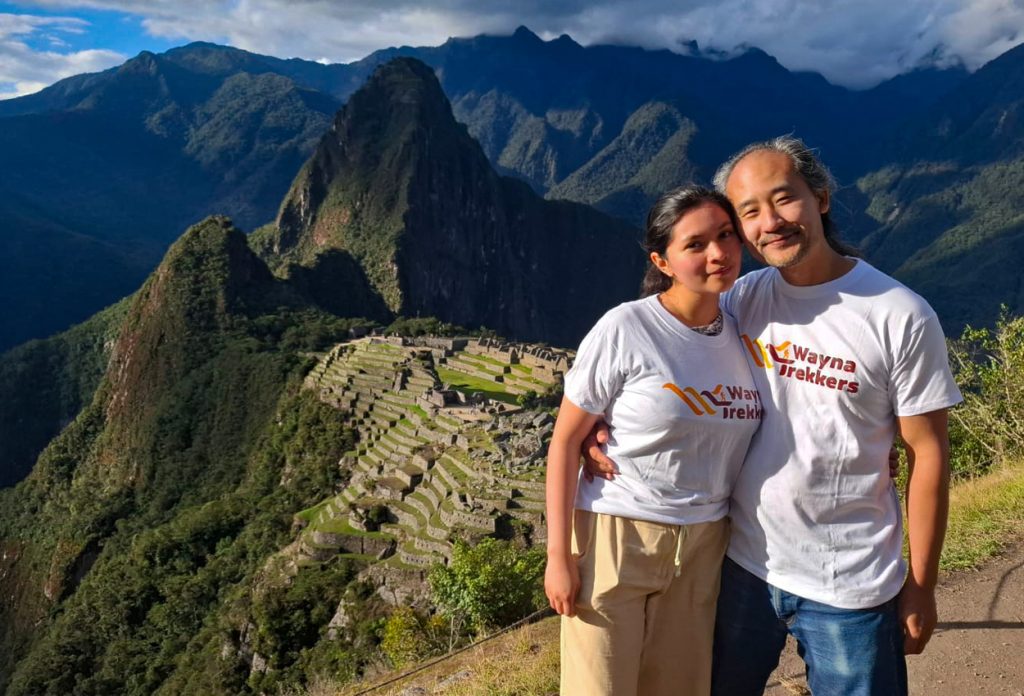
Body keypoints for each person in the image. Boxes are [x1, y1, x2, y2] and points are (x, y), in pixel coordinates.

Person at [584, 136, 962, 696]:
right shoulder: (743, 297)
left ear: (821, 198)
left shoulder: (898, 316)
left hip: (850, 583)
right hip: (741, 566)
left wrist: (922, 584)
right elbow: (660, 345)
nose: (771, 223)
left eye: (783, 200)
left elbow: (927, 454)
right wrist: (598, 420)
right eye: (749, 212)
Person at [545, 186, 761, 696]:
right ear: (662, 260)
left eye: (726, 235)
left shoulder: (746, 329)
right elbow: (565, 442)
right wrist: (558, 555)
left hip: (705, 543)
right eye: (696, 244)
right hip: (615, 537)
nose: (719, 253)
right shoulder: (627, 327)